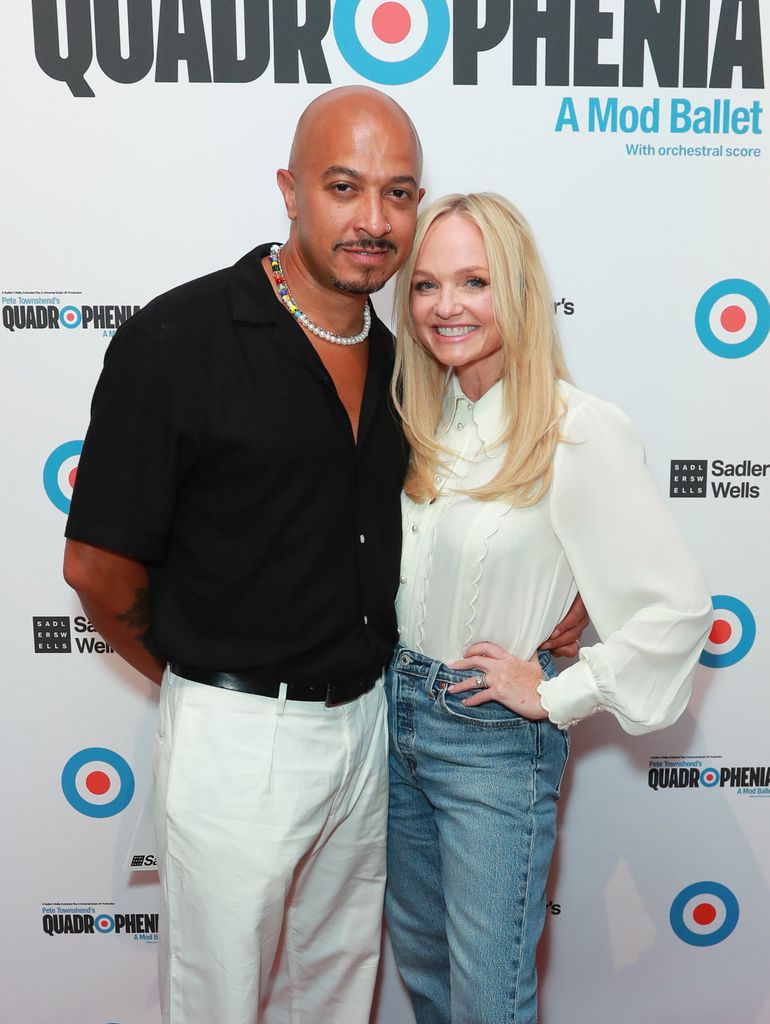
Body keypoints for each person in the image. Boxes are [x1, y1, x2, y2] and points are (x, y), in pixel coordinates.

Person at [62, 89, 586, 1024]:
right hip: (236, 738)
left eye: (397, 194)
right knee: (219, 1002)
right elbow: (98, 573)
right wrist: (209, 687)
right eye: (344, 188)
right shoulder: (177, 340)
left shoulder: (405, 362)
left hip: (374, 734)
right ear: (289, 190)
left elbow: (478, 501)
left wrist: (565, 591)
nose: (374, 222)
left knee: (336, 997)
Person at [385, 192, 713, 1024]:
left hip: (489, 739)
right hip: (390, 726)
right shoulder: (417, 421)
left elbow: (676, 608)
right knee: (427, 983)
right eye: (425, 286)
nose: (446, 306)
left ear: (520, 291)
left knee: (488, 1004)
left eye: (474, 281)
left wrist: (559, 691)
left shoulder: (578, 430)